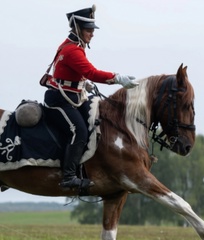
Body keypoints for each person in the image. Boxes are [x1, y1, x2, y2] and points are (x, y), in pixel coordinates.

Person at [43, 4, 138, 190]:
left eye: (92, 30)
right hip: (60, 101)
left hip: (71, 96)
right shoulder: (73, 50)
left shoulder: (71, 45)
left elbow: (73, 73)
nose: (92, 34)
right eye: (88, 30)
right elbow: (91, 72)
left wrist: (82, 82)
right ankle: (69, 177)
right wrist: (117, 78)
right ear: (78, 29)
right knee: (79, 130)